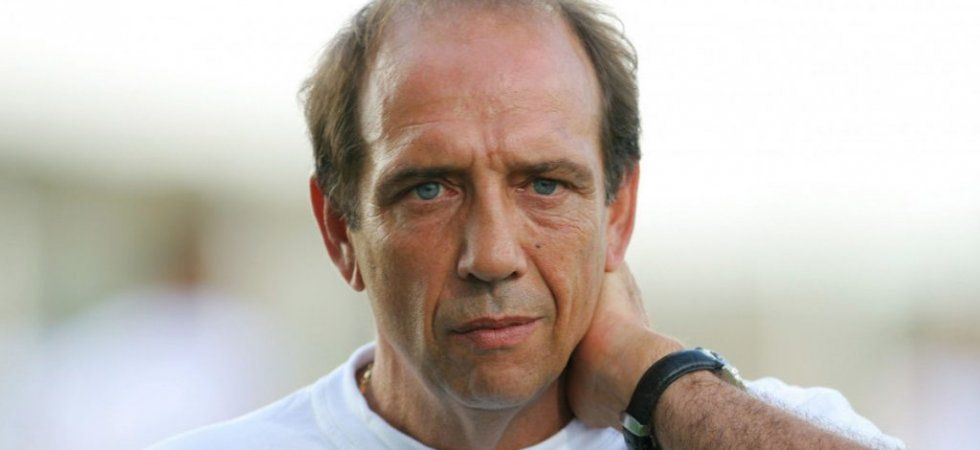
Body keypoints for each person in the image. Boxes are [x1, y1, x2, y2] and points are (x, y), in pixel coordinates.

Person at [153, 0, 905, 449]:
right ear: (338, 231)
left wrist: (655, 382)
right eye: (429, 190)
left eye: (545, 184)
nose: (492, 255)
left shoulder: (739, 424)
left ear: (618, 213)